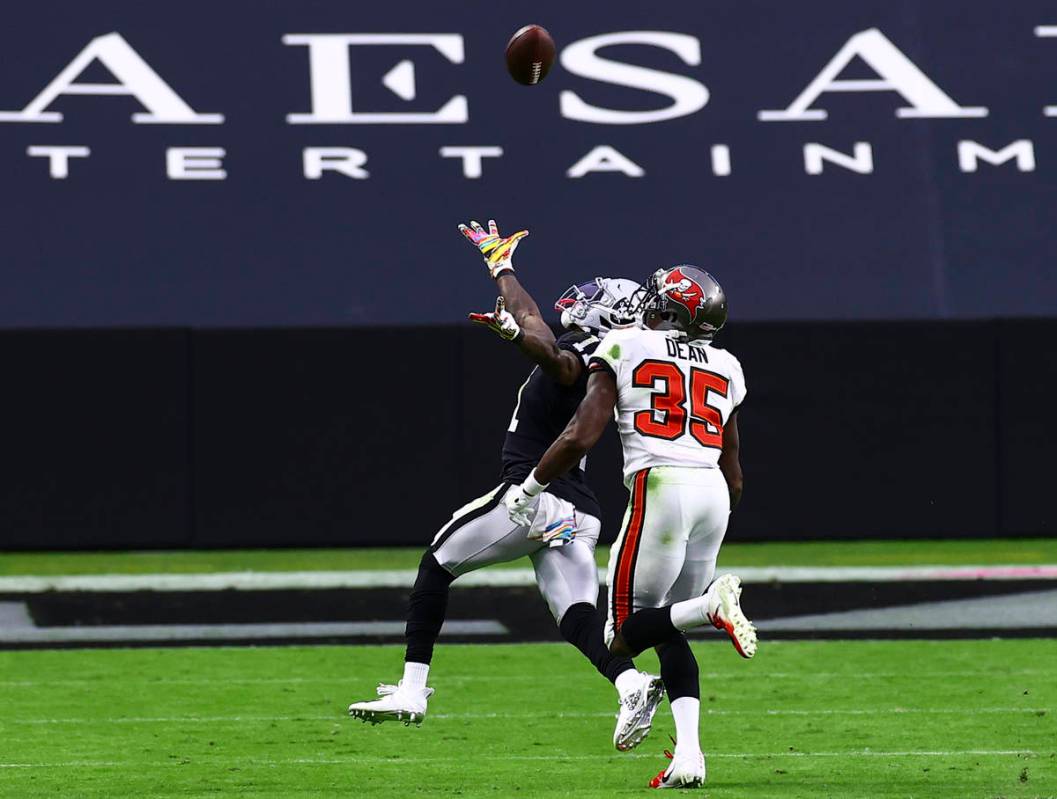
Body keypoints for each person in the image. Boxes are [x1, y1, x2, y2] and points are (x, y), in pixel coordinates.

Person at [348, 220, 665, 752]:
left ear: (611, 313)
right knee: (578, 617)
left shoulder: (587, 356)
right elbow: (531, 319)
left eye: (599, 296)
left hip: (535, 497)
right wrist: (502, 267)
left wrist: (520, 338)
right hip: (580, 511)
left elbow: (552, 356)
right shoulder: (608, 355)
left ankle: (411, 690)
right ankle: (631, 684)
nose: (585, 296)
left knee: (437, 564)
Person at [502, 265, 757, 789]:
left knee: (620, 635)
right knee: (669, 626)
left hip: (661, 487)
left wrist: (529, 488)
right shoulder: (727, 364)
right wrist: (722, 513)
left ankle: (710, 607)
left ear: (670, 311)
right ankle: (690, 755)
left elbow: (580, 435)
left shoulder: (626, 344)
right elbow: (732, 463)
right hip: (712, 491)